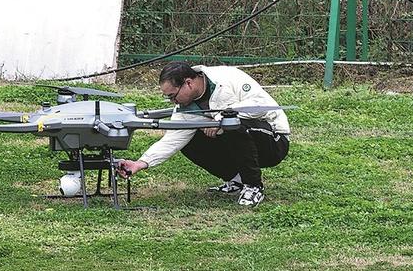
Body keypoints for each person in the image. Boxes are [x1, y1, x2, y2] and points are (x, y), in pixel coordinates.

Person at [116, 62, 290, 207]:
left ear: (188, 83)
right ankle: (237, 181)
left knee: (233, 125)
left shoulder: (227, 77)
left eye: (173, 96)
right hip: (235, 144)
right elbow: (171, 141)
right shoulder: (185, 108)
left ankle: (253, 186)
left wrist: (221, 118)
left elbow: (261, 105)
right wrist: (140, 163)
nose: (173, 101)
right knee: (187, 137)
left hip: (273, 139)